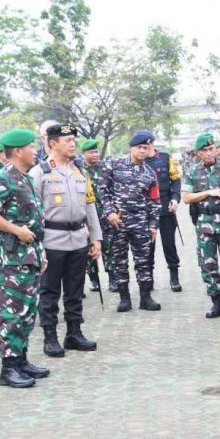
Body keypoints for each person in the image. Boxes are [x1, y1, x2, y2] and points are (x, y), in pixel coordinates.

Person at [0, 129, 49, 388]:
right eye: (32, 147)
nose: (35, 151)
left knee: (27, 312)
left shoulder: (25, 178)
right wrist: (16, 230)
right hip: (11, 259)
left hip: (28, 257)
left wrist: (40, 254)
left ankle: (21, 360)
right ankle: (8, 370)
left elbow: (34, 222)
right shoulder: (3, 178)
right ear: (18, 151)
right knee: (11, 314)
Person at [29, 124, 102, 358]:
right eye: (67, 140)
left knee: (75, 290)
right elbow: (31, 211)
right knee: (49, 292)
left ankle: (74, 333)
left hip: (79, 239)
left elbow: (90, 205)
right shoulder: (39, 172)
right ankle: (50, 337)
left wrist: (96, 237)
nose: (72, 144)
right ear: (52, 143)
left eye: (73, 140)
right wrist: (36, 245)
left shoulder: (79, 169)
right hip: (51, 240)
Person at [182, 133, 220, 318]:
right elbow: (186, 198)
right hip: (204, 223)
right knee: (208, 264)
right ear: (198, 153)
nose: (209, 153)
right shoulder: (193, 172)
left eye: (212, 149)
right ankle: (216, 302)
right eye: (205, 150)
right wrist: (208, 192)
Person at [98, 130, 161, 312]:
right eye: (140, 147)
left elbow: (154, 201)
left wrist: (153, 224)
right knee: (120, 260)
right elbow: (102, 189)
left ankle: (146, 298)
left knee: (143, 261)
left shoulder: (149, 173)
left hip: (140, 221)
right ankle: (124, 298)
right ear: (131, 148)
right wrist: (109, 212)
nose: (142, 151)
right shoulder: (114, 165)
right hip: (117, 221)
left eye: (146, 148)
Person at [144, 134, 183, 292]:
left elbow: (176, 180)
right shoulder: (137, 162)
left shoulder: (166, 159)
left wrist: (175, 199)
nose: (143, 149)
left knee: (169, 244)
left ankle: (174, 277)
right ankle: (148, 279)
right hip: (146, 211)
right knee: (147, 247)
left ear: (152, 144)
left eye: (146, 145)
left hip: (166, 208)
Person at [81, 139, 116, 292]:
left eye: (96, 151)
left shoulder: (106, 168)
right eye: (91, 152)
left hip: (106, 216)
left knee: (110, 248)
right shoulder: (79, 170)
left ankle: (112, 279)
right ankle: (94, 280)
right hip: (88, 217)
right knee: (90, 249)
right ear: (84, 154)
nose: (95, 154)